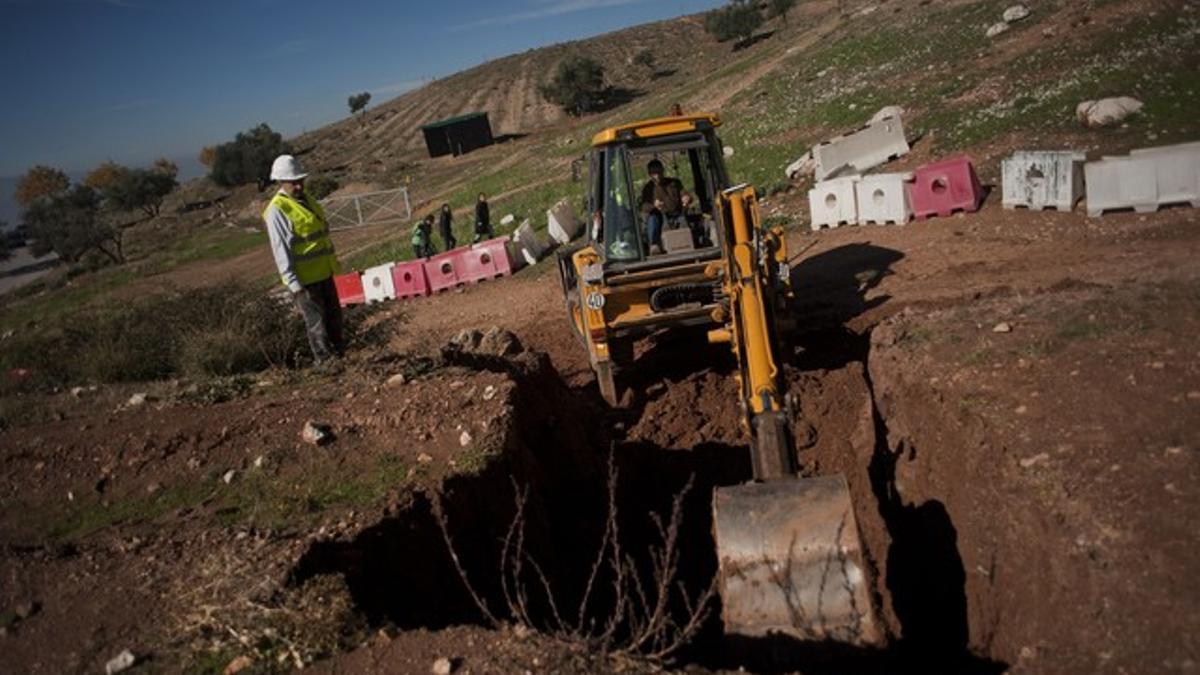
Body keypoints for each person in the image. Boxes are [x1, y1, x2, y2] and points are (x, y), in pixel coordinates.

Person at [262, 154, 343, 364]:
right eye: (293, 182)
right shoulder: (277, 210)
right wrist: (294, 284)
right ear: (280, 181)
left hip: (324, 272)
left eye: (300, 181)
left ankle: (341, 357)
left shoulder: (308, 199)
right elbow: (281, 251)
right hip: (305, 281)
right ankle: (326, 364)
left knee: (335, 319)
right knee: (317, 325)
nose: (298, 186)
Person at [639, 158, 692, 255]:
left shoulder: (674, 183)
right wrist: (654, 205)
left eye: (659, 172)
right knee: (652, 219)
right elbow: (643, 206)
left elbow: (684, 193)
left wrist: (686, 197)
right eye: (654, 173)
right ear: (650, 174)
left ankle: (686, 245)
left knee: (683, 221)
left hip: (677, 214)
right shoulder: (648, 188)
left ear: (663, 170)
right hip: (659, 217)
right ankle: (654, 245)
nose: (657, 175)